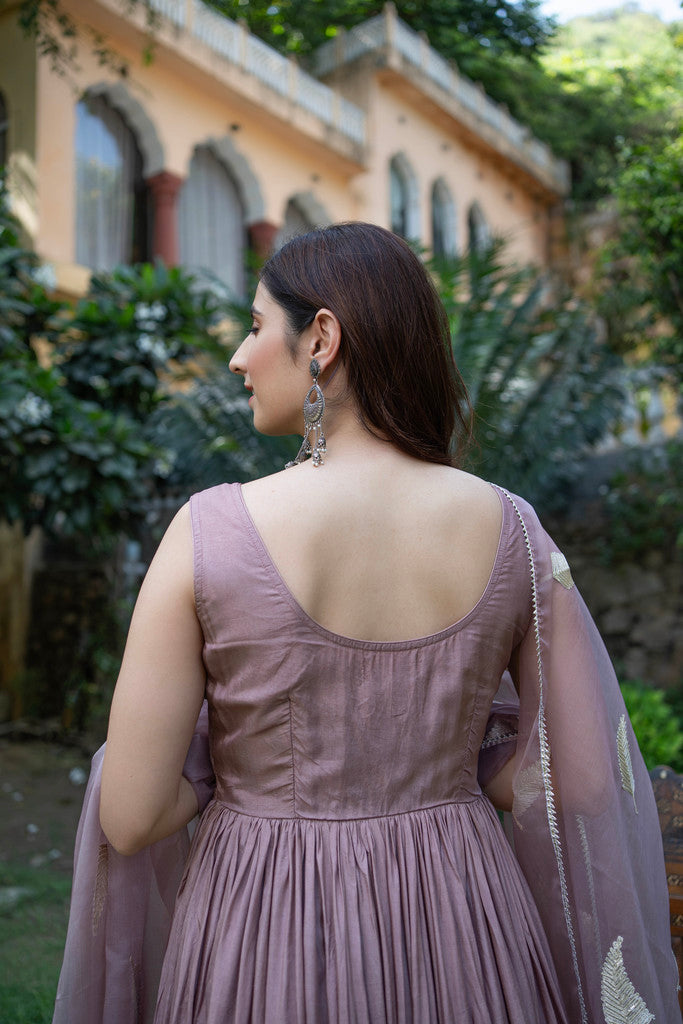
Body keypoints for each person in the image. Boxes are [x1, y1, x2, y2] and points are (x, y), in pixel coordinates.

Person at [53, 222, 678, 1024]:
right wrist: (448, 757)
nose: (238, 358)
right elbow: (581, 783)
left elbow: (132, 816)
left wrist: (224, 769)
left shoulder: (209, 532)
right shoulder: (513, 530)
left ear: (321, 338)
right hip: (465, 925)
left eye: (254, 326)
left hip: (265, 924)